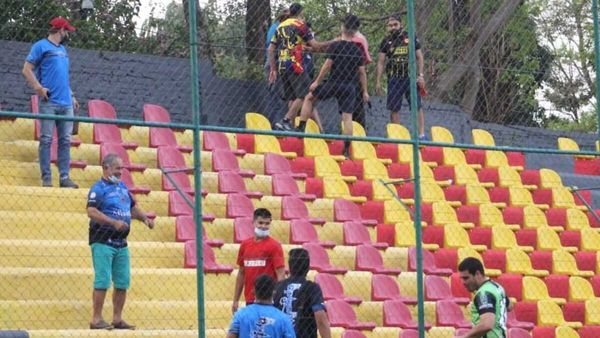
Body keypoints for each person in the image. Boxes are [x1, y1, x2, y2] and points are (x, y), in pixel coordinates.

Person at [86, 154, 155, 330]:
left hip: (121, 242)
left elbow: (131, 208)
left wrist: (144, 218)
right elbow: (91, 211)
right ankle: (96, 319)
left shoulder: (122, 187)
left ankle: (117, 319)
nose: (120, 172)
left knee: (122, 282)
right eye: (117, 168)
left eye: (122, 168)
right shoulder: (98, 188)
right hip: (102, 240)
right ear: (106, 167)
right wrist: (113, 222)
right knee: (102, 280)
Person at [297, 14, 369, 158]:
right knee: (347, 118)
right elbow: (362, 73)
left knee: (309, 97)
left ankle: (300, 129)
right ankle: (347, 148)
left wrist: (317, 81)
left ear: (343, 28)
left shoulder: (335, 45)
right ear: (355, 31)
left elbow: (327, 66)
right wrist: (365, 91)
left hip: (334, 82)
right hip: (350, 87)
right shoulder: (357, 50)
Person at [22, 16, 79, 188]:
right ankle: (46, 178)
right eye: (66, 30)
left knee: (65, 141)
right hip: (50, 101)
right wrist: (39, 88)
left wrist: (72, 95)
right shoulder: (40, 46)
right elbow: (26, 69)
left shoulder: (63, 50)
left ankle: (64, 178)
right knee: (46, 139)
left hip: (66, 102)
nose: (67, 34)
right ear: (61, 30)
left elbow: (63, 77)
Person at [268, 3, 330, 131]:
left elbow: (270, 48)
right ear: (300, 13)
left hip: (281, 65)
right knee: (307, 93)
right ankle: (286, 120)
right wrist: (333, 42)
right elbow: (316, 46)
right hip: (295, 64)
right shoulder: (300, 25)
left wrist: (273, 69)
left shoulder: (280, 26)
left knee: (292, 97)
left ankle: (288, 125)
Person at [375, 15, 428, 140]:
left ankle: (421, 135)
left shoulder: (410, 36)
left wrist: (421, 76)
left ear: (400, 24)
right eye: (390, 25)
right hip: (394, 78)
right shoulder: (385, 41)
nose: (393, 27)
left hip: (410, 77)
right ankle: (397, 137)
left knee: (417, 105)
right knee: (394, 108)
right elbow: (381, 62)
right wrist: (378, 81)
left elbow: (420, 57)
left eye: (395, 24)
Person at [232, 208, 285, 314]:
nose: (264, 226)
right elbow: (241, 273)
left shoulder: (274, 246)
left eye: (267, 223)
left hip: (268, 301)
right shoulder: (245, 245)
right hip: (250, 299)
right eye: (260, 223)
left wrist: (277, 298)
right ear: (253, 222)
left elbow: (281, 275)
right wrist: (235, 300)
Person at [274, 248, 331, 338]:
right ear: (308, 267)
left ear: (289, 267)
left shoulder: (277, 287)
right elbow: (320, 317)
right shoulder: (312, 288)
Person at [456, 257, 512, 338]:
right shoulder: (496, 287)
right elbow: (510, 306)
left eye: (466, 278)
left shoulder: (483, 293)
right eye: (462, 279)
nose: (463, 282)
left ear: (477, 274)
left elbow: (487, 324)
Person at [227, 274, 296, 338]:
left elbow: (231, 336)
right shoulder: (284, 319)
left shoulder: (240, 315)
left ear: (253, 291)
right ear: (274, 292)